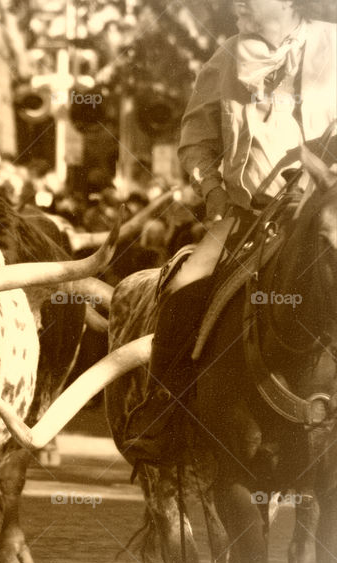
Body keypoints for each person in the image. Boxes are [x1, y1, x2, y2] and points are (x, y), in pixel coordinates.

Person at [126, 0, 337, 460]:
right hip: (245, 216)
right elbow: (196, 143)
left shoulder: (333, 45)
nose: (237, 2)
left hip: (323, 211)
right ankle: (164, 412)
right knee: (184, 286)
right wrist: (215, 195)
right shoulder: (224, 58)